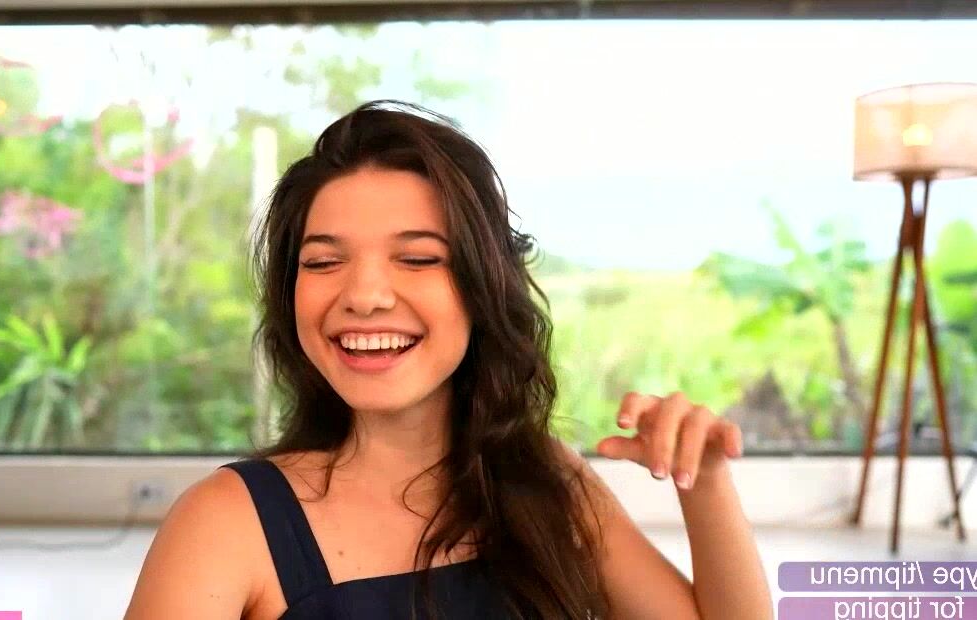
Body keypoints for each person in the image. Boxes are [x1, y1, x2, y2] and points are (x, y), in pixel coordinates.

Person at [125, 100, 773, 619]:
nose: (364, 296)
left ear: (482, 288)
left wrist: (705, 480)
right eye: (322, 262)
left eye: (417, 258)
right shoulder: (224, 522)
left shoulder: (544, 480)